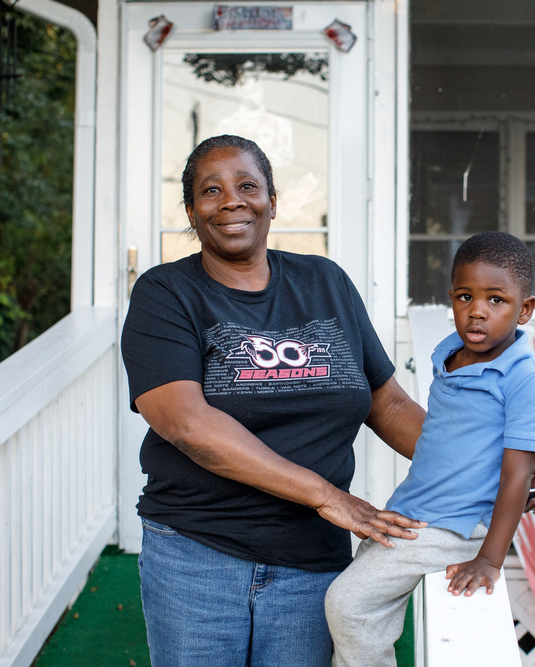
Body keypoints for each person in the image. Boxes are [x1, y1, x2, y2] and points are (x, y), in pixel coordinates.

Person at [121, 134, 431, 667]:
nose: (231, 201)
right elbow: (188, 424)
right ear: (191, 212)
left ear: (272, 200)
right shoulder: (166, 293)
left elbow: (389, 405)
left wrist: (487, 467)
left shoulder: (326, 282)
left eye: (247, 186)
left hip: (312, 561)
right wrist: (326, 496)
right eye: (211, 191)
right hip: (197, 554)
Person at [324, 231, 535, 667]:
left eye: (496, 300)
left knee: (348, 603)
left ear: (524, 309)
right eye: (466, 297)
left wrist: (489, 559)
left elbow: (516, 474)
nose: (477, 311)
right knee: (366, 608)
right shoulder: (449, 355)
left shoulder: (525, 380)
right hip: (411, 511)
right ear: (451, 298)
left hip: (453, 527)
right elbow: (456, 438)